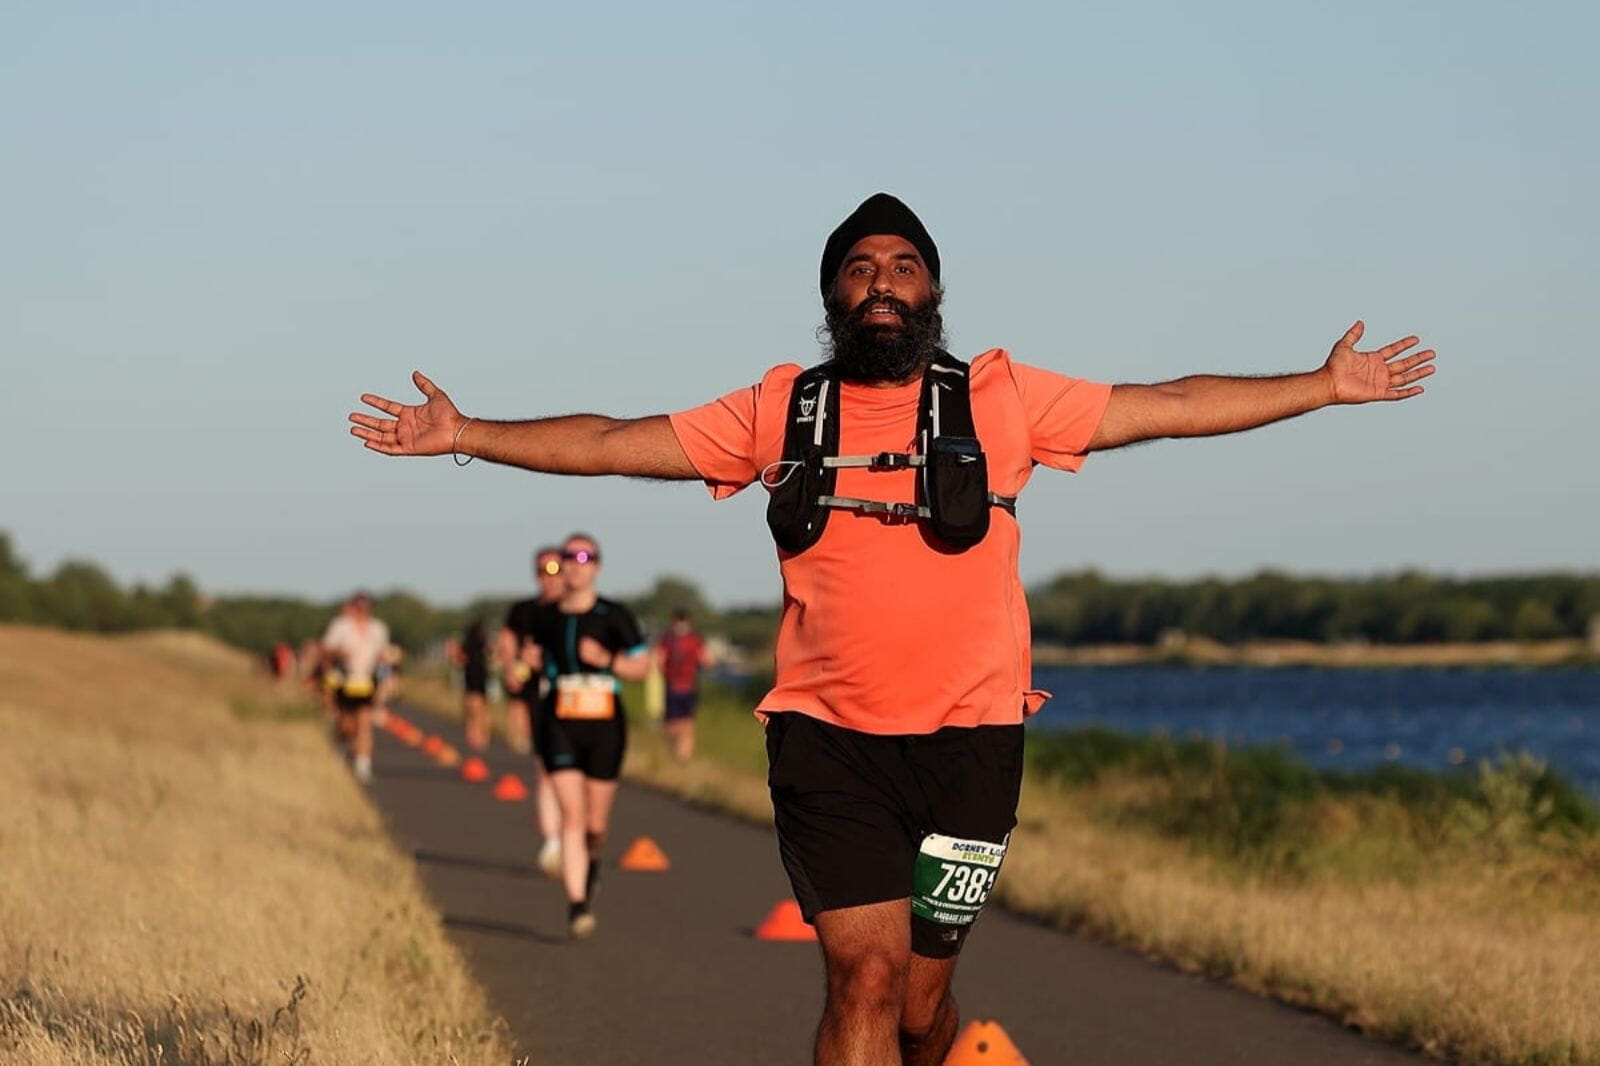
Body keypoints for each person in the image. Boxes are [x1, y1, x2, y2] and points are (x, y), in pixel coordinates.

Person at [349, 193, 1436, 1062]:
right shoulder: (784, 409)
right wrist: (471, 431)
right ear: (832, 294)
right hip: (827, 739)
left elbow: (1172, 402)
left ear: (933, 291)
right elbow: (609, 438)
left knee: (921, 1006)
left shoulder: (1002, 398)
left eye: (902, 266)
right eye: (859, 269)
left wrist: (1322, 385)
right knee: (861, 978)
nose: (881, 283)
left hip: (972, 743)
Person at [519, 533, 651, 938]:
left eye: (583, 557)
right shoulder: (546, 616)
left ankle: (592, 861)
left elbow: (642, 666)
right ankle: (577, 904)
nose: (574, 564)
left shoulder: (615, 615)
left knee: (595, 824)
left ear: (597, 566)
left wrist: (608, 660)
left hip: (604, 725)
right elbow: (527, 658)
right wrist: (527, 662)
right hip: (558, 721)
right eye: (567, 557)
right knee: (572, 817)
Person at [501, 545, 569, 879]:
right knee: (546, 770)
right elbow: (507, 639)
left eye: (555, 569)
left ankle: (575, 835)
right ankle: (553, 842)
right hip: (541, 698)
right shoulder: (525, 611)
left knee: (577, 776)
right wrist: (511, 667)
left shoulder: (577, 609)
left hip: (579, 701)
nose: (548, 577)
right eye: (542, 570)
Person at [321, 591, 391, 785]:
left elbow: (383, 658)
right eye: (359, 606)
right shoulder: (341, 626)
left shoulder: (378, 629)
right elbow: (326, 650)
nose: (362, 611)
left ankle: (363, 765)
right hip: (345, 680)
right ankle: (343, 744)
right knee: (346, 724)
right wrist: (340, 654)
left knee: (364, 723)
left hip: (367, 682)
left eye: (366, 607)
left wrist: (386, 684)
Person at [654, 609, 712, 762]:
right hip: (688, 686)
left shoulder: (668, 639)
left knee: (676, 724)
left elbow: (658, 660)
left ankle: (680, 756)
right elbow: (707, 660)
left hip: (675, 686)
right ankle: (683, 756)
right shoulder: (694, 639)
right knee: (686, 724)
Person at [451, 620, 492, 751]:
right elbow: (492, 656)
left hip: (470, 676)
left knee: (471, 708)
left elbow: (458, 660)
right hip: (481, 676)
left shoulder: (466, 645)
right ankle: (482, 736)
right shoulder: (484, 644)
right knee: (481, 708)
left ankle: (472, 734)